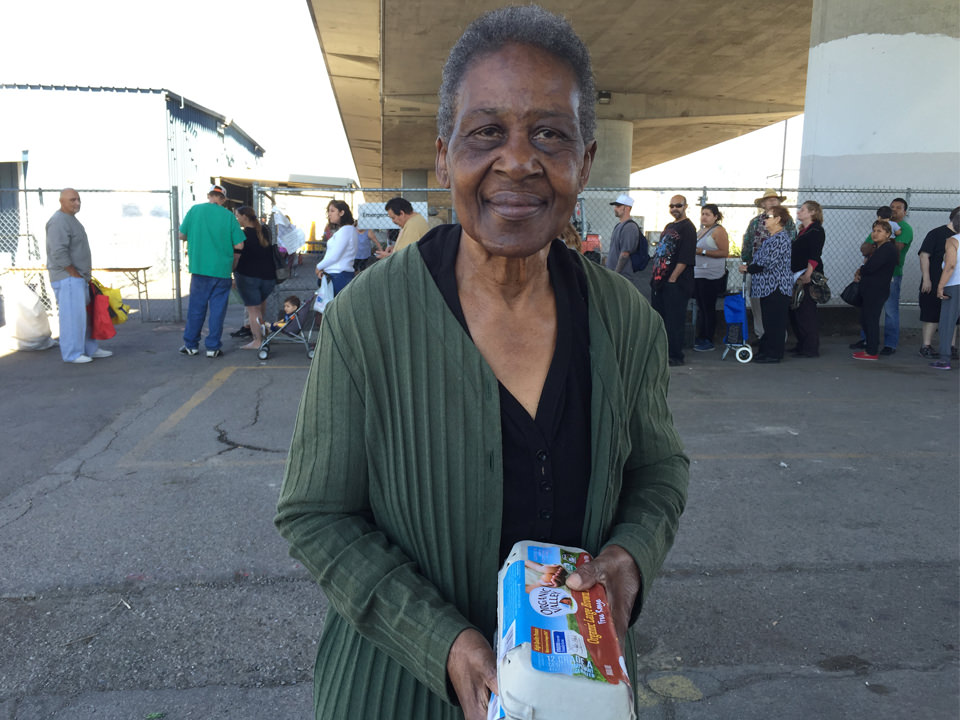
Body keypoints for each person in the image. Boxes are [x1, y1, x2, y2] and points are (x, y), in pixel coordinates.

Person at [275, 7, 689, 720]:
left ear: (584, 162)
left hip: (572, 695)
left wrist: (630, 555)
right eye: (487, 132)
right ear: (445, 156)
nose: (519, 160)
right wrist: (441, 642)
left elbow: (657, 470)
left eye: (550, 134)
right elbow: (317, 515)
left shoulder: (625, 321)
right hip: (393, 696)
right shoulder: (368, 319)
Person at [45, 188, 113, 364]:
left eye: (78, 200)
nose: (77, 203)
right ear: (61, 201)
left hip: (78, 278)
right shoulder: (58, 221)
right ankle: (72, 354)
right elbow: (58, 251)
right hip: (68, 278)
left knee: (83, 317)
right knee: (72, 318)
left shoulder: (71, 220)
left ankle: (89, 349)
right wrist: (73, 273)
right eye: (72, 200)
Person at [178, 184, 245, 358]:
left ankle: (191, 345)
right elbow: (239, 244)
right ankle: (212, 347)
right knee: (217, 311)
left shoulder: (195, 211)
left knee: (196, 308)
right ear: (223, 199)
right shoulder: (229, 216)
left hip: (199, 269)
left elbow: (181, 235)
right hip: (222, 270)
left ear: (209, 196)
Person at [741, 189, 797, 343]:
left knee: (775, 310)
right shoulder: (755, 222)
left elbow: (792, 242)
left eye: (775, 199)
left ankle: (778, 339)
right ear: (763, 204)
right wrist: (747, 263)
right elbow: (747, 242)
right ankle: (762, 335)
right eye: (768, 200)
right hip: (756, 268)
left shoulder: (787, 223)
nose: (772, 202)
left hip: (776, 272)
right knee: (758, 304)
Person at [650, 195, 697, 366]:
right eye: (672, 206)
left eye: (678, 205)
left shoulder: (688, 228)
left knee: (674, 321)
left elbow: (685, 258)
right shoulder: (669, 226)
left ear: (685, 206)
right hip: (660, 282)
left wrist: (672, 279)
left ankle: (675, 356)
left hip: (676, 283)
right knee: (660, 320)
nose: (674, 208)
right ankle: (661, 353)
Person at [852, 220, 899, 361]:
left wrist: (862, 270)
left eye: (879, 231)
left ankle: (871, 351)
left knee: (871, 319)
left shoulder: (887, 249)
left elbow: (872, 267)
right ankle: (870, 347)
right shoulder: (879, 248)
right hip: (871, 289)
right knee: (866, 318)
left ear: (888, 234)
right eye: (874, 230)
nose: (875, 233)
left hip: (877, 290)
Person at [232, 206, 276, 350]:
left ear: (245, 216)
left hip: (248, 276)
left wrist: (231, 272)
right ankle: (263, 335)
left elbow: (237, 257)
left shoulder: (242, 234)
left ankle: (257, 341)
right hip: (268, 277)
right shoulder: (264, 231)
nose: (236, 218)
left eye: (237, 216)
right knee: (260, 307)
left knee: (253, 310)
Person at [917, 208, 959, 359]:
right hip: (935, 280)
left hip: (954, 284)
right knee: (931, 314)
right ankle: (926, 346)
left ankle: (950, 346)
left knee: (953, 316)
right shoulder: (936, 234)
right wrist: (927, 279)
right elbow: (924, 256)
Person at [789, 200, 826, 358]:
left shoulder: (816, 231)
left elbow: (814, 253)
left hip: (806, 274)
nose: (799, 212)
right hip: (797, 273)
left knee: (806, 311)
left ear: (812, 212)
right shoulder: (803, 231)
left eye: (803, 210)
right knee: (796, 311)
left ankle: (810, 348)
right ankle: (801, 343)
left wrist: (808, 274)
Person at [692, 203, 729, 352]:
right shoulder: (701, 230)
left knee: (708, 307)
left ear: (715, 216)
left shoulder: (718, 231)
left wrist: (703, 252)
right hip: (698, 273)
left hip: (711, 276)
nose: (704, 217)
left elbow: (724, 252)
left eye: (707, 214)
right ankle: (701, 336)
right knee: (701, 306)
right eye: (702, 214)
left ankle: (709, 338)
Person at [604, 193, 648, 298]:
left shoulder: (629, 228)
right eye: (615, 206)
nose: (615, 208)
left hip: (622, 277)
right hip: (616, 276)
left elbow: (624, 254)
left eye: (618, 206)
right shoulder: (619, 226)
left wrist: (616, 274)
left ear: (627, 208)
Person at [315, 200, 358, 296]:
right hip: (337, 275)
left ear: (342, 212)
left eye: (332, 211)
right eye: (328, 211)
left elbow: (334, 256)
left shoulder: (346, 231)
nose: (329, 214)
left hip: (338, 276)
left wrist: (318, 267)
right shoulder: (347, 230)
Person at [931, 228, 960, 370]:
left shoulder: (952, 241)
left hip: (955, 284)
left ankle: (944, 359)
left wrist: (941, 285)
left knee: (947, 322)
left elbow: (951, 264)